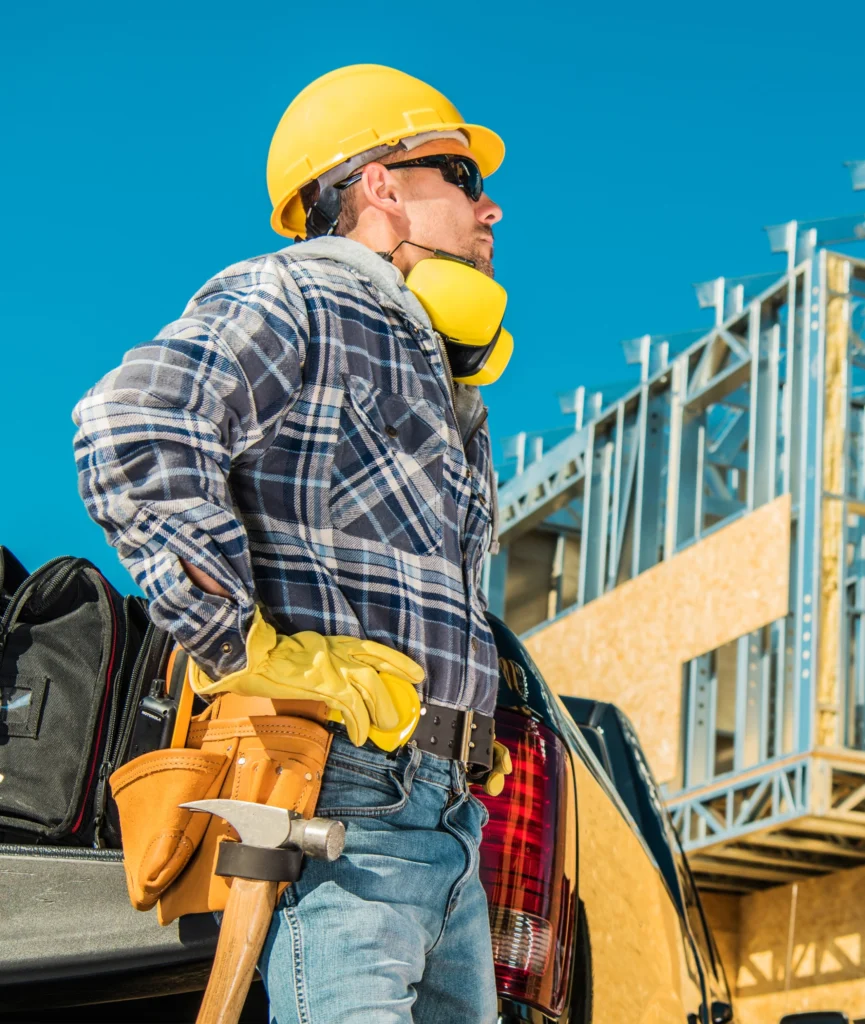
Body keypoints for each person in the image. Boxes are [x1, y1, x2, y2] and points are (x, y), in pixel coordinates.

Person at [73, 64, 508, 1023]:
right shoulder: (302, 293)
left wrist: (470, 711)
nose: (492, 210)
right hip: (339, 795)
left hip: (445, 814)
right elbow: (132, 423)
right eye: (463, 179)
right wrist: (241, 645)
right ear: (380, 183)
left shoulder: (434, 364)